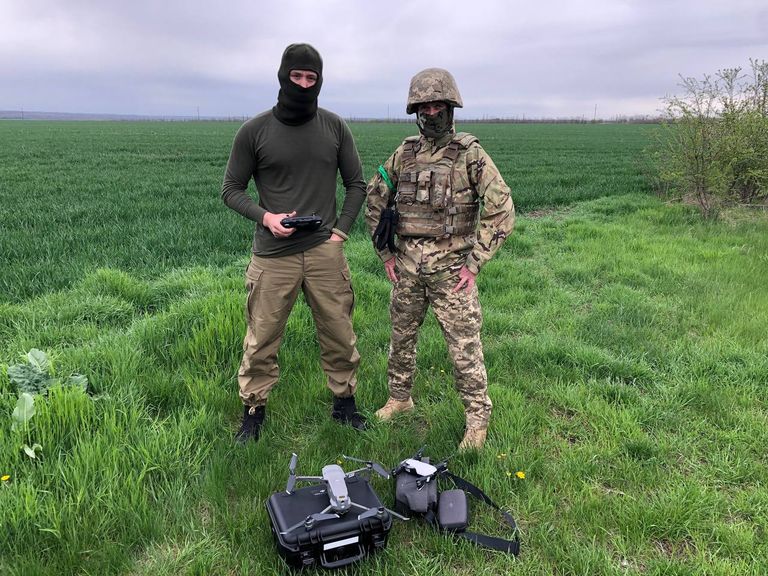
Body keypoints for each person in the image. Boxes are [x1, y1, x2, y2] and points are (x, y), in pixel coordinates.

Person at [221, 43, 367, 443]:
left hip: (324, 250)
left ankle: (345, 404)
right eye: (297, 76)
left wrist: (341, 232)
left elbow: (356, 184)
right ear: (283, 76)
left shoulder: (334, 127)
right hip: (272, 256)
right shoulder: (255, 131)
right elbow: (231, 189)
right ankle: (253, 409)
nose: (303, 84)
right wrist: (266, 217)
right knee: (262, 336)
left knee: (339, 331)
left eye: (311, 78)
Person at [365, 68, 515, 450]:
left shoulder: (470, 155)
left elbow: (502, 210)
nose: (431, 113)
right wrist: (385, 252)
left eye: (437, 105)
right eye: (424, 106)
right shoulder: (405, 153)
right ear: (415, 109)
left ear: (450, 107)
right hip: (408, 269)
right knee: (401, 338)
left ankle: (477, 421)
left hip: (452, 273)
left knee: (464, 348)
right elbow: (375, 197)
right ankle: (400, 398)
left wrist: (475, 263)